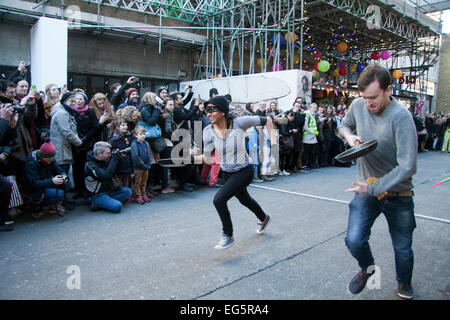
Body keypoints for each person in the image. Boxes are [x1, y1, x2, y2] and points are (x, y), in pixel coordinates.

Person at [339, 63, 418, 300]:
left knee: (402, 248)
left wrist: (374, 187)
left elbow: (408, 166)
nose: (368, 104)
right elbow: (344, 125)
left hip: (398, 193)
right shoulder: (358, 105)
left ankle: (404, 282)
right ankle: (368, 269)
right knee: (354, 240)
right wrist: (350, 137)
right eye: (364, 98)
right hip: (366, 188)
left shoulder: (402, 118)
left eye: (373, 97)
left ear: (388, 90)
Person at [193, 96, 275, 249]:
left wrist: (273, 143)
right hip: (227, 173)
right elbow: (208, 159)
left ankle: (228, 235)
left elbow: (267, 120)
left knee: (219, 199)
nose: (208, 114)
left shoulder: (239, 123)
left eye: (212, 110)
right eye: (206, 111)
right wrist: (193, 157)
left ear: (223, 111)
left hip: (244, 171)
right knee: (245, 200)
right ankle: (264, 218)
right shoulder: (208, 131)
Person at [22, 138, 68, 218]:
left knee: (67, 183)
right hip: (34, 190)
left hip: (45, 183)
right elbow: (34, 183)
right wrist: (52, 181)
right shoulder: (31, 163)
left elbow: (59, 170)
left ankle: (54, 204)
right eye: (49, 158)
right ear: (42, 157)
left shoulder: (50, 158)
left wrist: (64, 176)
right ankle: (36, 208)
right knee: (59, 194)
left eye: (52, 157)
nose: (51, 160)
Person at [84, 141, 132, 214]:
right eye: (107, 153)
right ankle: (97, 203)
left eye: (110, 152)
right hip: (96, 195)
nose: (110, 155)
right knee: (118, 206)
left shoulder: (105, 160)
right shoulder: (90, 165)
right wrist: (114, 160)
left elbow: (114, 171)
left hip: (109, 191)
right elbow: (105, 176)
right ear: (99, 154)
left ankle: (103, 204)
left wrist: (119, 159)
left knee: (128, 192)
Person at [50, 92, 83, 174]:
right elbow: (67, 132)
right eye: (71, 101)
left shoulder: (67, 112)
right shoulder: (62, 113)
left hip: (64, 151)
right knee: (63, 178)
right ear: (64, 101)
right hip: (61, 152)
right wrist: (80, 143)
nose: (74, 104)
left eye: (74, 102)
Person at [130, 126, 153, 204]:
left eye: (144, 134)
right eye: (140, 134)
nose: (143, 136)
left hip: (146, 166)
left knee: (144, 181)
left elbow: (149, 154)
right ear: (136, 135)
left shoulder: (146, 143)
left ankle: (143, 194)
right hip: (138, 167)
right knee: (138, 182)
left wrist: (149, 163)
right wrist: (143, 165)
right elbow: (135, 156)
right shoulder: (134, 144)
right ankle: (138, 195)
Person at [302, 102, 319, 171]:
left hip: (312, 136)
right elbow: (305, 127)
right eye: (313, 108)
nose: (314, 109)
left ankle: (310, 164)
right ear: (310, 108)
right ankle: (304, 165)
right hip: (307, 136)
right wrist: (314, 132)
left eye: (315, 108)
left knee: (311, 151)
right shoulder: (307, 115)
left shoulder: (313, 114)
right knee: (306, 152)